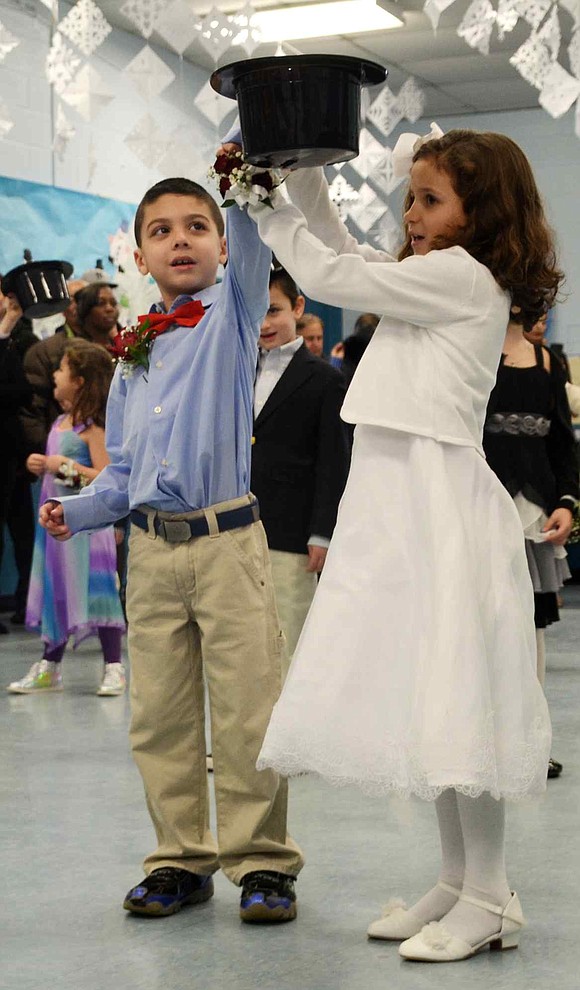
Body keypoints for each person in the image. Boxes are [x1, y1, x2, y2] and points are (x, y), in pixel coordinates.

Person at [239, 126, 562, 962]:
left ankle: (489, 895)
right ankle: (459, 883)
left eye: (430, 201)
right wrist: (302, 179)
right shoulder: (431, 274)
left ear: (479, 212)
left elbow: (329, 272)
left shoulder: (462, 276)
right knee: (436, 701)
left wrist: (262, 202)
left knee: (460, 702)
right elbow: (347, 249)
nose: (412, 216)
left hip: (438, 506)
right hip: (403, 502)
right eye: (410, 199)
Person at [39, 176, 304, 922]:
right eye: (161, 230)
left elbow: (251, 240)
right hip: (150, 553)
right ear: (140, 253)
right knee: (160, 716)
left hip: (226, 544)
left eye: (198, 226)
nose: (180, 239)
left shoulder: (237, 312)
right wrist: (82, 509)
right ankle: (179, 859)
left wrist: (242, 180)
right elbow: (124, 470)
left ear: (222, 245)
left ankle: (263, 862)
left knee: (249, 711)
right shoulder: (132, 350)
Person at [483, 309, 578, 780]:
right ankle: (480, 742)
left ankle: (530, 744)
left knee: (533, 627)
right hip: (480, 510)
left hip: (533, 514)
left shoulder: (547, 363)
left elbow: (562, 443)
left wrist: (566, 501)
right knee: (480, 626)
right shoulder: (472, 353)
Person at [7, 339, 126, 695]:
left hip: (88, 527)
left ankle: (114, 665)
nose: (54, 375)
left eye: (61, 369)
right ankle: (50, 664)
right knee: (55, 589)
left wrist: (66, 469)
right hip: (56, 529)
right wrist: (40, 465)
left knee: (99, 589)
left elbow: (107, 475)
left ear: (80, 380)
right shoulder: (60, 422)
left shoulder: (93, 428)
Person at [253, 267, 349, 665]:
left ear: (298, 307)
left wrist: (323, 533)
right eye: (255, 311)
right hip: (233, 531)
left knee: (288, 641)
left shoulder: (325, 380)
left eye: (273, 310)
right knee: (245, 649)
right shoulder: (235, 370)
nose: (264, 323)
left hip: (291, 534)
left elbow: (334, 461)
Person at [20, 278, 89, 454]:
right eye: (75, 298)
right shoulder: (43, 352)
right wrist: (50, 451)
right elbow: (32, 411)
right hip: (60, 454)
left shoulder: (115, 344)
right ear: (63, 307)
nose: (81, 305)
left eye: (87, 298)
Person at [0, 292, 32, 634]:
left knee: (23, 534)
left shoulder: (19, 338)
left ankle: (27, 602)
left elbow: (23, 392)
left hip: (14, 453)